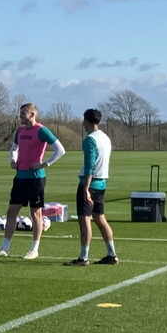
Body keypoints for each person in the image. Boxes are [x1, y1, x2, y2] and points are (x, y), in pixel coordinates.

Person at [0, 103, 66, 260]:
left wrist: (45, 164)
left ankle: (34, 249)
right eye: (20, 113)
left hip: (36, 178)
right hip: (20, 177)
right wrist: (13, 160)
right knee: (11, 211)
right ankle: (4, 247)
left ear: (32, 114)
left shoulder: (41, 130)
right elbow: (14, 148)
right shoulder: (20, 131)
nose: (21, 116)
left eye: (24, 113)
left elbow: (60, 150)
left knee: (35, 213)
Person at [65, 108, 117, 266]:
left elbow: (89, 166)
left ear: (86, 121)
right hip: (102, 183)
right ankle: (112, 254)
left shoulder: (89, 140)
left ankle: (83, 257)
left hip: (89, 184)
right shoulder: (105, 138)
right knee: (100, 219)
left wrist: (86, 188)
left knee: (84, 220)